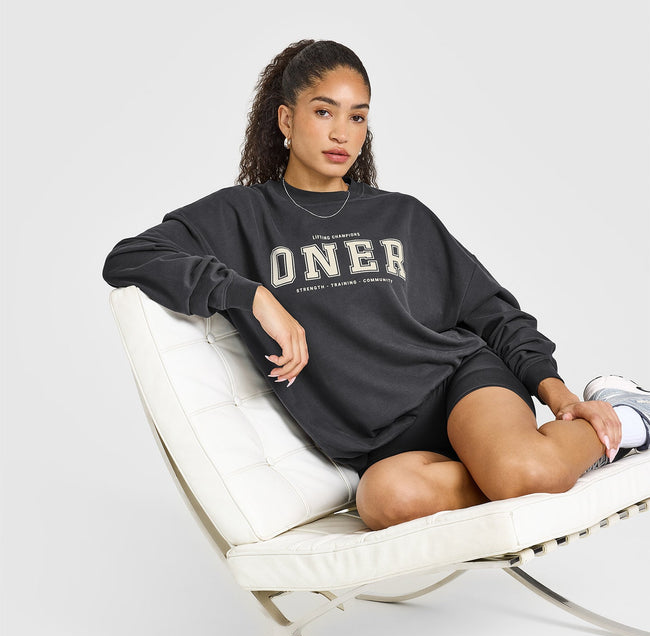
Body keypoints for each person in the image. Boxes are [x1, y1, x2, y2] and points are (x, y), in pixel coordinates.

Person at [102, 39, 650, 531]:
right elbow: (130, 257)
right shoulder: (241, 216)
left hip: (460, 386)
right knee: (386, 501)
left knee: (523, 472)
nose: (342, 133)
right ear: (286, 119)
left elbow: (491, 310)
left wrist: (559, 396)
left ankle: (627, 418)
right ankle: (521, 463)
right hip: (380, 443)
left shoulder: (401, 215)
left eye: (358, 117)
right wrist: (253, 295)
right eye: (324, 112)